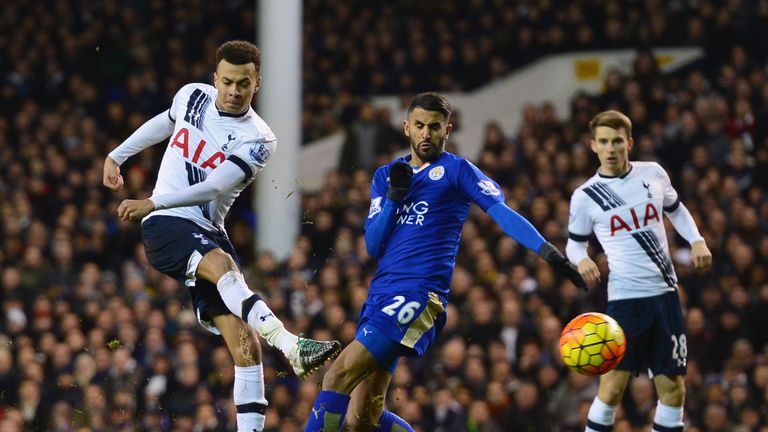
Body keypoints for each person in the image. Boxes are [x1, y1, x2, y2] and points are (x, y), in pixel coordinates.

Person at [304, 92, 586, 432]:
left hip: (419, 294)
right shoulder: (387, 176)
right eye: (419, 126)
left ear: (447, 131)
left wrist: (548, 252)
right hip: (380, 296)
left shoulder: (457, 171)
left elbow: (501, 213)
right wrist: (394, 197)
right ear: (406, 128)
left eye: (434, 127)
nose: (426, 134)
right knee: (362, 418)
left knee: (337, 375)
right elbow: (373, 245)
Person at [102, 40, 341, 432]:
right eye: (227, 81)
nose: (233, 91)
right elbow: (166, 122)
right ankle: (292, 344)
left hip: (205, 228)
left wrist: (152, 200)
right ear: (215, 79)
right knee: (225, 268)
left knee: (246, 342)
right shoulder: (192, 96)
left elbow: (214, 188)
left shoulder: (260, 139)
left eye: (243, 84)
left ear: (257, 84)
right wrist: (117, 155)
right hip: (166, 226)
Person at [565, 110, 713, 432]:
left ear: (629, 142)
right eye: (603, 142)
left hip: (666, 296)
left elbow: (676, 210)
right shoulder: (586, 196)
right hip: (626, 301)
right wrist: (583, 259)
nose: (611, 148)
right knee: (612, 388)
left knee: (673, 390)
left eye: (617, 141)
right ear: (593, 146)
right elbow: (574, 245)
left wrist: (697, 240)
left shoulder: (654, 173)